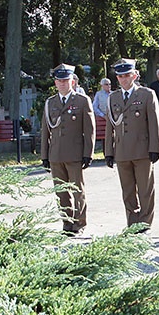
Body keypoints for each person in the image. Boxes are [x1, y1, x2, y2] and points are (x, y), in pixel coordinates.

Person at [104, 58, 159, 228]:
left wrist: (155, 148)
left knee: (145, 190)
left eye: (127, 75)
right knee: (128, 191)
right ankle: (132, 223)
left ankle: (145, 223)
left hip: (142, 150)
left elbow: (154, 123)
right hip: (122, 151)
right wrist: (109, 151)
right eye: (120, 76)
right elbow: (110, 126)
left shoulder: (146, 94)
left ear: (135, 75)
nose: (124, 79)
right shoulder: (113, 97)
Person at [40, 63, 95, 236]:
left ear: (73, 81)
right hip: (56, 155)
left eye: (66, 80)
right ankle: (67, 223)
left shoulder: (81, 101)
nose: (63, 84)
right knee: (61, 192)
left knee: (77, 191)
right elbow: (45, 131)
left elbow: (89, 129)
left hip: (75, 154)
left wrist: (88, 154)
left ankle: (79, 223)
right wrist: (45, 155)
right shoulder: (50, 103)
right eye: (59, 81)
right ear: (55, 83)